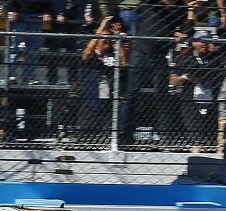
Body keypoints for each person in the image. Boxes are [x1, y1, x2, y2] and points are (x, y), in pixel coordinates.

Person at [117, 0, 196, 147]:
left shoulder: (180, 6)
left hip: (160, 55)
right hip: (140, 51)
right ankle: (124, 136)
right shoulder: (151, 3)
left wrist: (189, 12)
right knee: (132, 94)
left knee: (162, 96)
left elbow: (188, 31)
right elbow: (159, 9)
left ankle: (166, 137)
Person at [78, 16, 127, 144]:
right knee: (85, 141)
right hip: (89, 102)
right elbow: (86, 54)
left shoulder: (112, 53)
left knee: (106, 141)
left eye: (109, 39)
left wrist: (117, 38)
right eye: (103, 38)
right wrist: (101, 28)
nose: (107, 40)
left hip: (107, 105)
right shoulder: (92, 54)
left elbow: (123, 63)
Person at [169, 29, 219, 149]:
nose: (205, 44)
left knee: (211, 138)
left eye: (207, 41)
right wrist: (186, 76)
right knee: (196, 138)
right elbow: (172, 81)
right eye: (201, 41)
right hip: (191, 102)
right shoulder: (185, 58)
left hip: (210, 101)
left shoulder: (213, 58)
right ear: (194, 43)